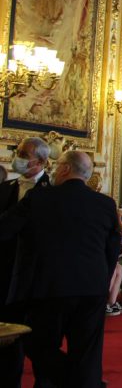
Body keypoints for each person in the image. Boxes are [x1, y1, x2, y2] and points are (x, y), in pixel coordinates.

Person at [0, 150, 121, 388]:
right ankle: (85, 383)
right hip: (91, 287)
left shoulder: (39, 198)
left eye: (57, 166)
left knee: (39, 345)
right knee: (88, 351)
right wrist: (102, 280)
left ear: (65, 168)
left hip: (48, 287)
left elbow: (4, 230)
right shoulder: (106, 204)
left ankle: (72, 381)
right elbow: (112, 248)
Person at [0, 136, 51, 385]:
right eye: (17, 152)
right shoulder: (4, 189)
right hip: (5, 273)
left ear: (40, 161)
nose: (17, 158)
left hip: (36, 275)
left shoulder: (52, 194)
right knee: (6, 335)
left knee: (39, 340)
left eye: (23, 154)